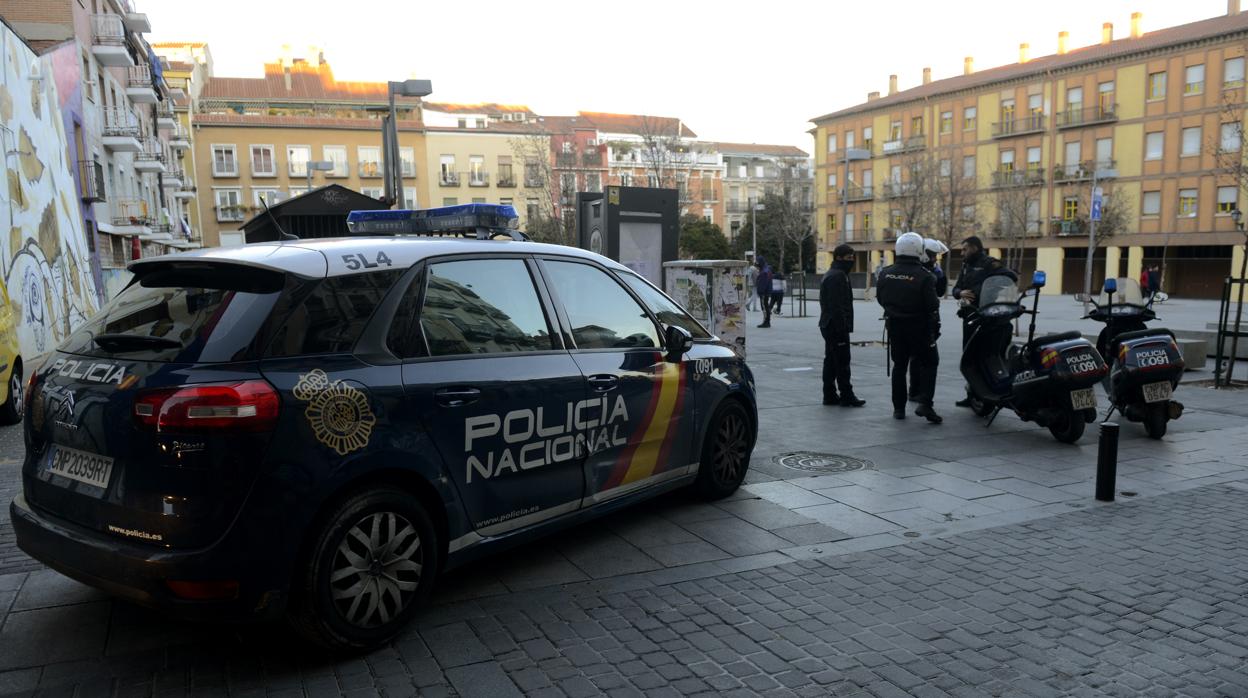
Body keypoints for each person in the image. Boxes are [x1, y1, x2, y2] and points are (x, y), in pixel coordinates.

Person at [877, 232, 942, 423]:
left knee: (899, 366)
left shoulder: (886, 272)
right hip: (920, 328)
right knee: (930, 363)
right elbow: (932, 305)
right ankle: (925, 404)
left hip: (895, 327)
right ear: (919, 250)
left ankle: (899, 408)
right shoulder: (925, 276)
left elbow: (881, 298)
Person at [951, 236, 1003, 408]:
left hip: (987, 316)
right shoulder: (966, 266)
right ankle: (972, 394)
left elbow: (1007, 277)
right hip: (969, 317)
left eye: (965, 249)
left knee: (984, 356)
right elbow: (956, 288)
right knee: (969, 356)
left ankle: (989, 392)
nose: (962, 252)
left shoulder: (989, 263)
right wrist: (960, 293)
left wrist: (976, 291)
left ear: (974, 248)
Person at [820, 244, 865, 407]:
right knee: (842, 362)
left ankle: (830, 395)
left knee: (831, 361)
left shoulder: (835, 274)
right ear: (839, 258)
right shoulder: (838, 276)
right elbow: (836, 306)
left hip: (829, 324)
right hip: (835, 326)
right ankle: (846, 395)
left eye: (852, 257)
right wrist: (841, 327)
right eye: (848, 258)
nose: (851, 261)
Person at [909, 238, 949, 401]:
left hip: (929, 319)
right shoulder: (919, 272)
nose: (935, 259)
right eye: (933, 256)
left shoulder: (933, 271)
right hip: (920, 320)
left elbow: (939, 292)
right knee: (919, 358)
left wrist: (940, 276)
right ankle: (916, 391)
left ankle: (918, 391)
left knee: (920, 358)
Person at [756, 257, 774, 328]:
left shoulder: (764, 272)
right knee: (765, 306)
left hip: (764, 292)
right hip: (766, 292)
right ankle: (766, 321)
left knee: (764, 307)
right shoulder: (766, 270)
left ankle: (766, 322)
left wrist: (760, 291)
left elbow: (763, 283)